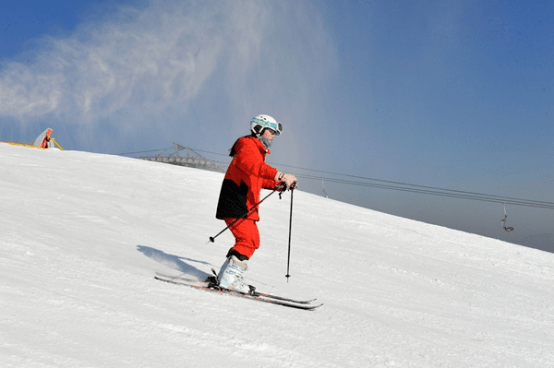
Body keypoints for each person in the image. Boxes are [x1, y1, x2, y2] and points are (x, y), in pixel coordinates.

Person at [213, 114, 297, 294]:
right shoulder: (248, 147)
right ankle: (229, 279)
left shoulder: (256, 150)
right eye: (271, 131)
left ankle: (226, 276)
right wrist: (280, 175)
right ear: (259, 129)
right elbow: (254, 167)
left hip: (243, 202)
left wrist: (278, 184)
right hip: (237, 200)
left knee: (250, 240)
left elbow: (257, 178)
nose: (273, 136)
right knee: (249, 240)